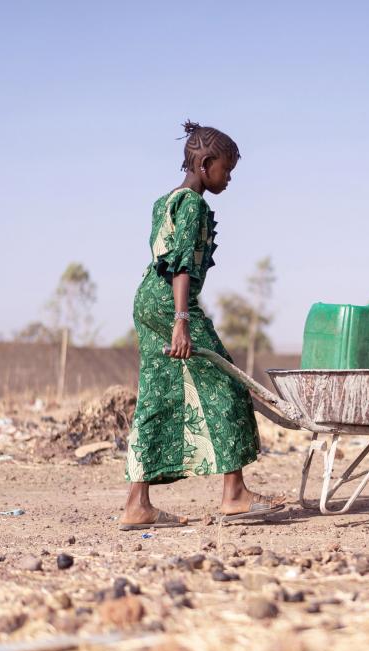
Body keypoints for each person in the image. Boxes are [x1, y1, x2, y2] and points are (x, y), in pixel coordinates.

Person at [120, 121, 284, 530]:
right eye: (226, 170)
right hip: (172, 305)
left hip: (145, 301)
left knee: (157, 395)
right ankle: (235, 495)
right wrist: (181, 321)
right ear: (206, 163)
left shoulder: (166, 200)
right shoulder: (194, 205)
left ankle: (137, 505)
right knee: (228, 384)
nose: (228, 179)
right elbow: (179, 266)